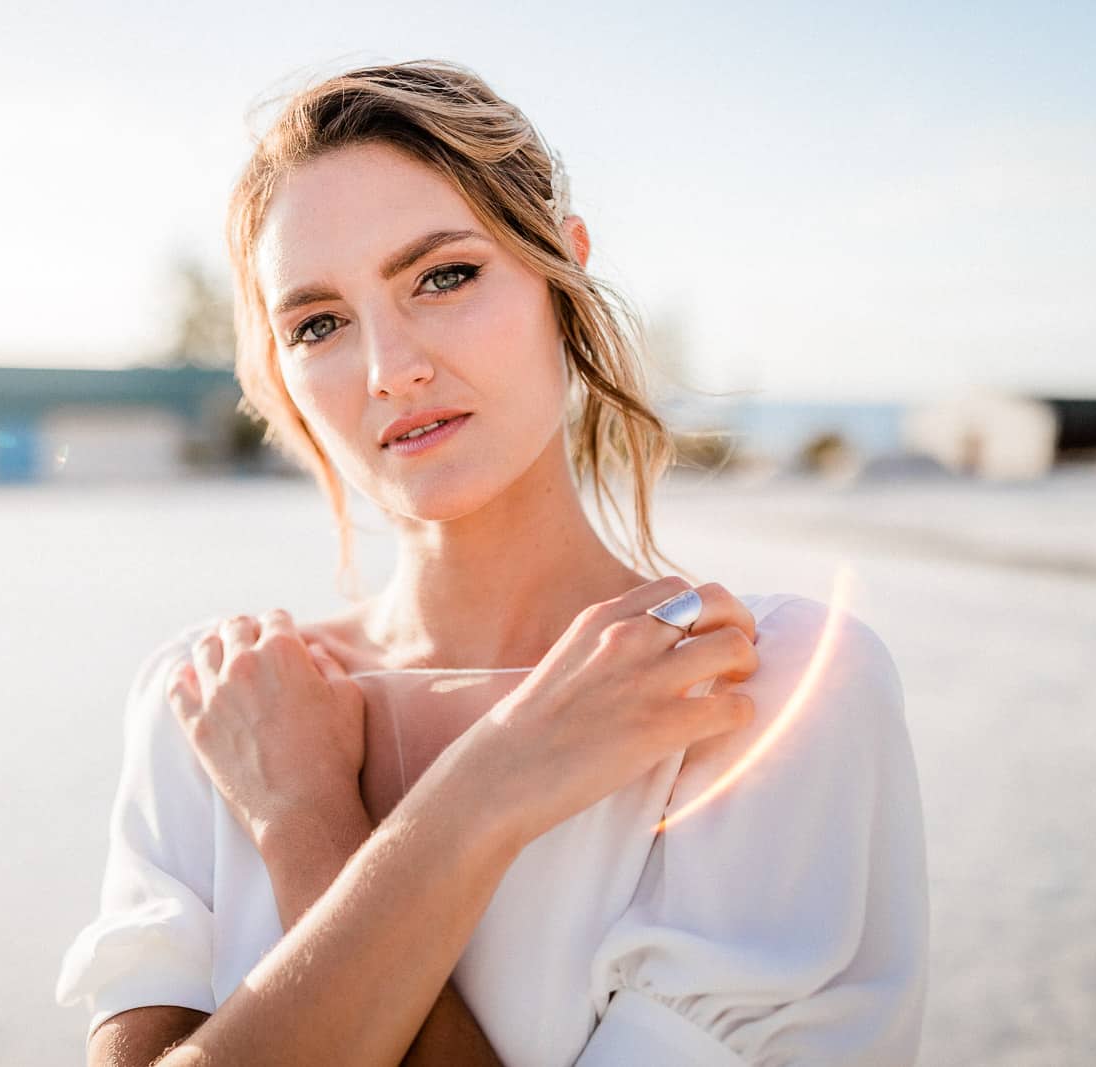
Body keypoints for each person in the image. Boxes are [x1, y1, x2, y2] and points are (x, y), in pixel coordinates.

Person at [56, 59, 928, 1066]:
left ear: (561, 268)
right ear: (280, 373)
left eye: (443, 274)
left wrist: (318, 822)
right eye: (319, 322)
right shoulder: (218, 701)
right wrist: (468, 793)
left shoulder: (769, 688)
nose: (391, 368)